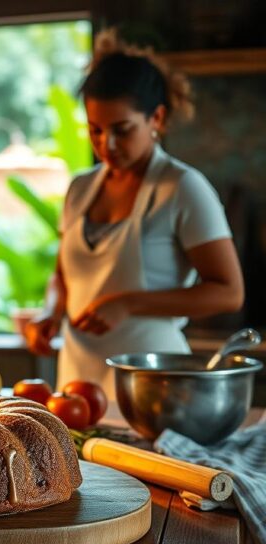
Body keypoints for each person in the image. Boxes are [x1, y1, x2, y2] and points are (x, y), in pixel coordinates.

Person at [24, 30, 244, 420]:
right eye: (95, 130)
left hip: (153, 385)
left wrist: (129, 303)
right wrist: (51, 311)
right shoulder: (81, 188)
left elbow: (228, 293)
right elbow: (63, 273)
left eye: (122, 130)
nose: (106, 145)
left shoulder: (182, 188)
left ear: (156, 118)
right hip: (76, 382)